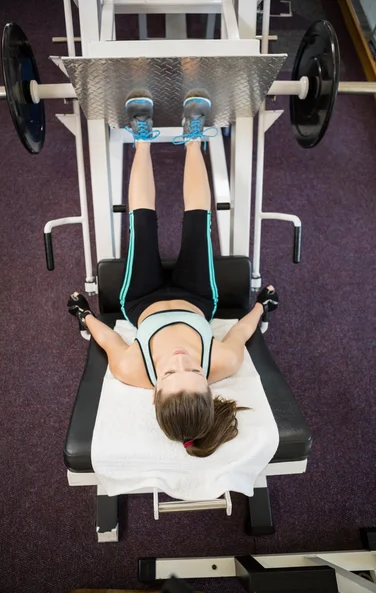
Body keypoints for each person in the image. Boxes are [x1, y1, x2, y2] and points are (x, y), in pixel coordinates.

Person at [67, 91, 279, 457]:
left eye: (168, 374)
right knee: (199, 224)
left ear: (154, 395)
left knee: (142, 224)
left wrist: (83, 314)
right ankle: (194, 138)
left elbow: (107, 340)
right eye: (195, 372)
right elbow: (242, 332)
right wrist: (263, 306)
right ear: (210, 386)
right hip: (196, 298)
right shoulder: (225, 363)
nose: (181, 359)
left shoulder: (131, 369)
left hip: (141, 300)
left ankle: (142, 138)